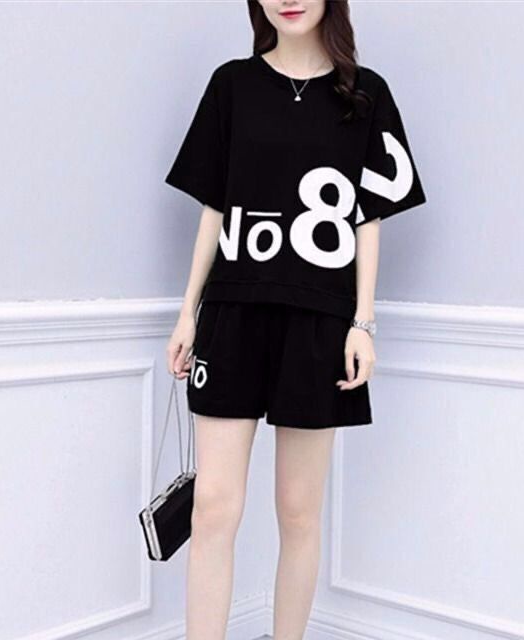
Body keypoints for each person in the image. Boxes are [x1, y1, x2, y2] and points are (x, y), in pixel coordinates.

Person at [164, 1, 426, 637]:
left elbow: (368, 217)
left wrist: (363, 323)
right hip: (232, 314)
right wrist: (187, 313)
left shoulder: (366, 95)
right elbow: (214, 209)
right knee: (213, 509)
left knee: (299, 513)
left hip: (319, 322)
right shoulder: (232, 85)